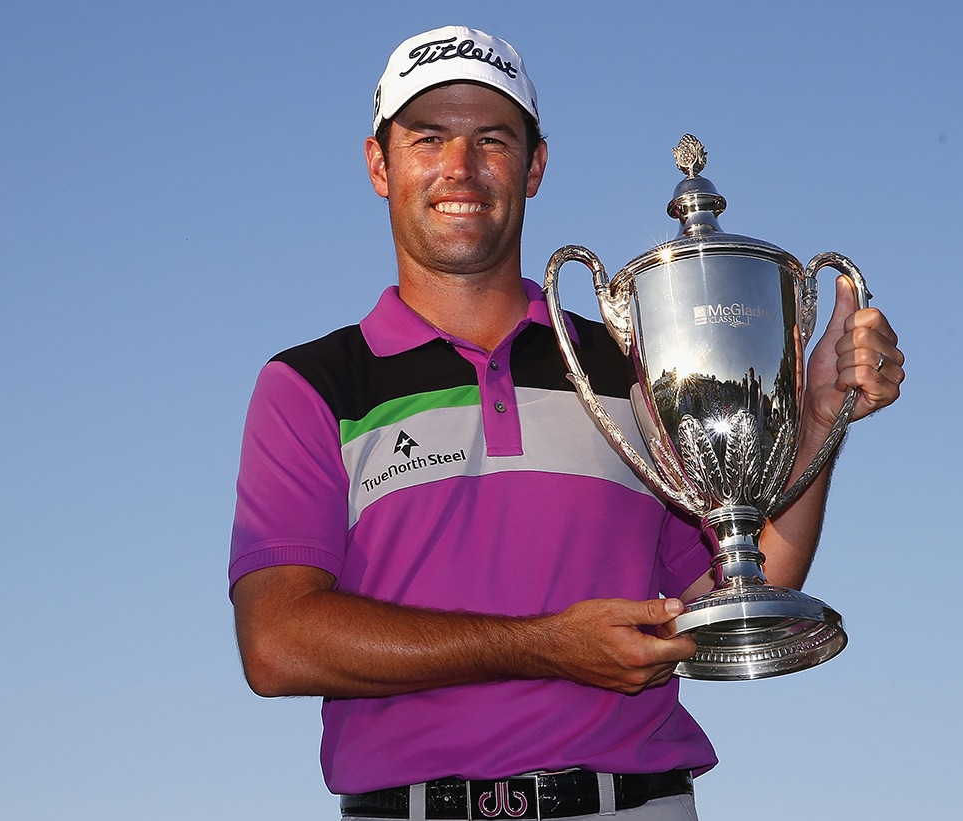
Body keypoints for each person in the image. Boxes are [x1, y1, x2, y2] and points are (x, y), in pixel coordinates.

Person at [229, 25, 904, 821]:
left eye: (492, 139)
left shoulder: (628, 367)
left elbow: (745, 587)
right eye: (428, 138)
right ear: (380, 164)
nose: (460, 168)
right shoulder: (310, 384)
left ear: (534, 165)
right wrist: (545, 645)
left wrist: (820, 418)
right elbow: (277, 641)